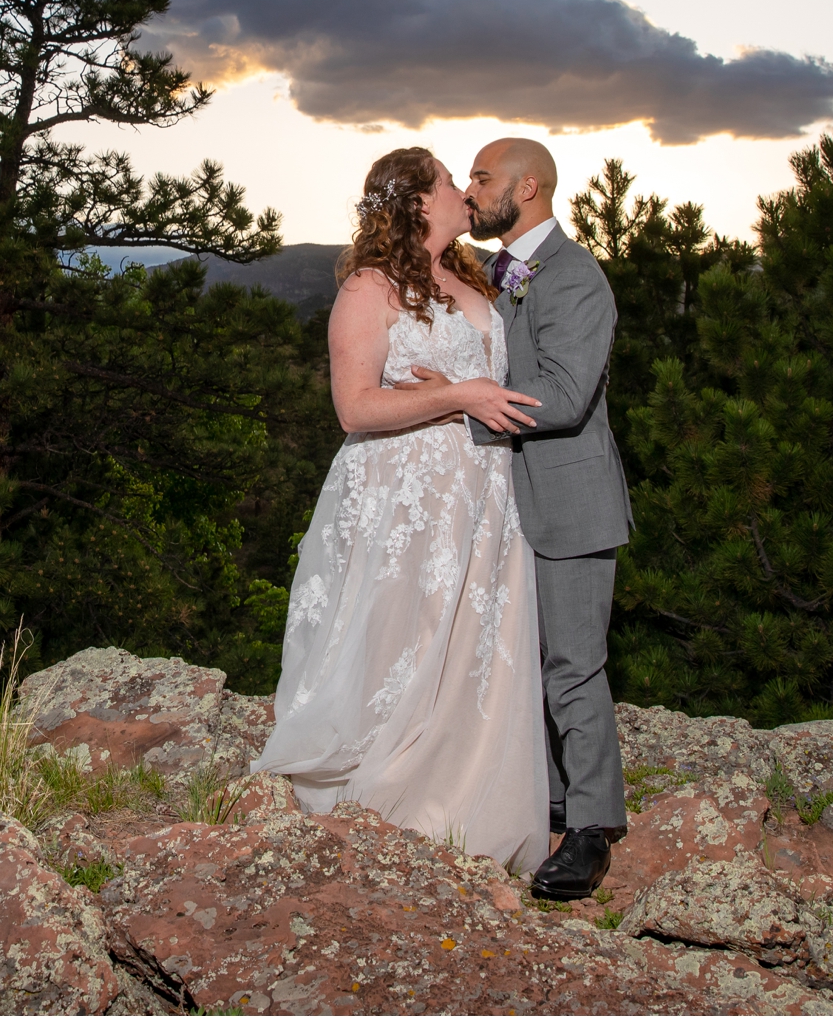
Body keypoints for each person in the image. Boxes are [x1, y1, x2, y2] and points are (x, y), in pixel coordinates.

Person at [251, 147, 552, 871]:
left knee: (472, 647)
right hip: (405, 496)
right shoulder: (370, 287)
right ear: (418, 202)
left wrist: (465, 388)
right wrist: (459, 394)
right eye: (451, 179)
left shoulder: (471, 277)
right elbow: (355, 407)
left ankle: (469, 813)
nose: (462, 190)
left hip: (483, 494)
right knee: (403, 639)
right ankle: (382, 798)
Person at [436, 136, 631, 902]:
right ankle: (545, 795)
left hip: (572, 502)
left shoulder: (578, 278)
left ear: (530, 188)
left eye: (483, 176)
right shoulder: (495, 270)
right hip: (507, 501)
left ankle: (590, 827)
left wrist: (466, 407)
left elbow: (566, 393)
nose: (473, 187)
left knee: (572, 663)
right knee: (523, 655)